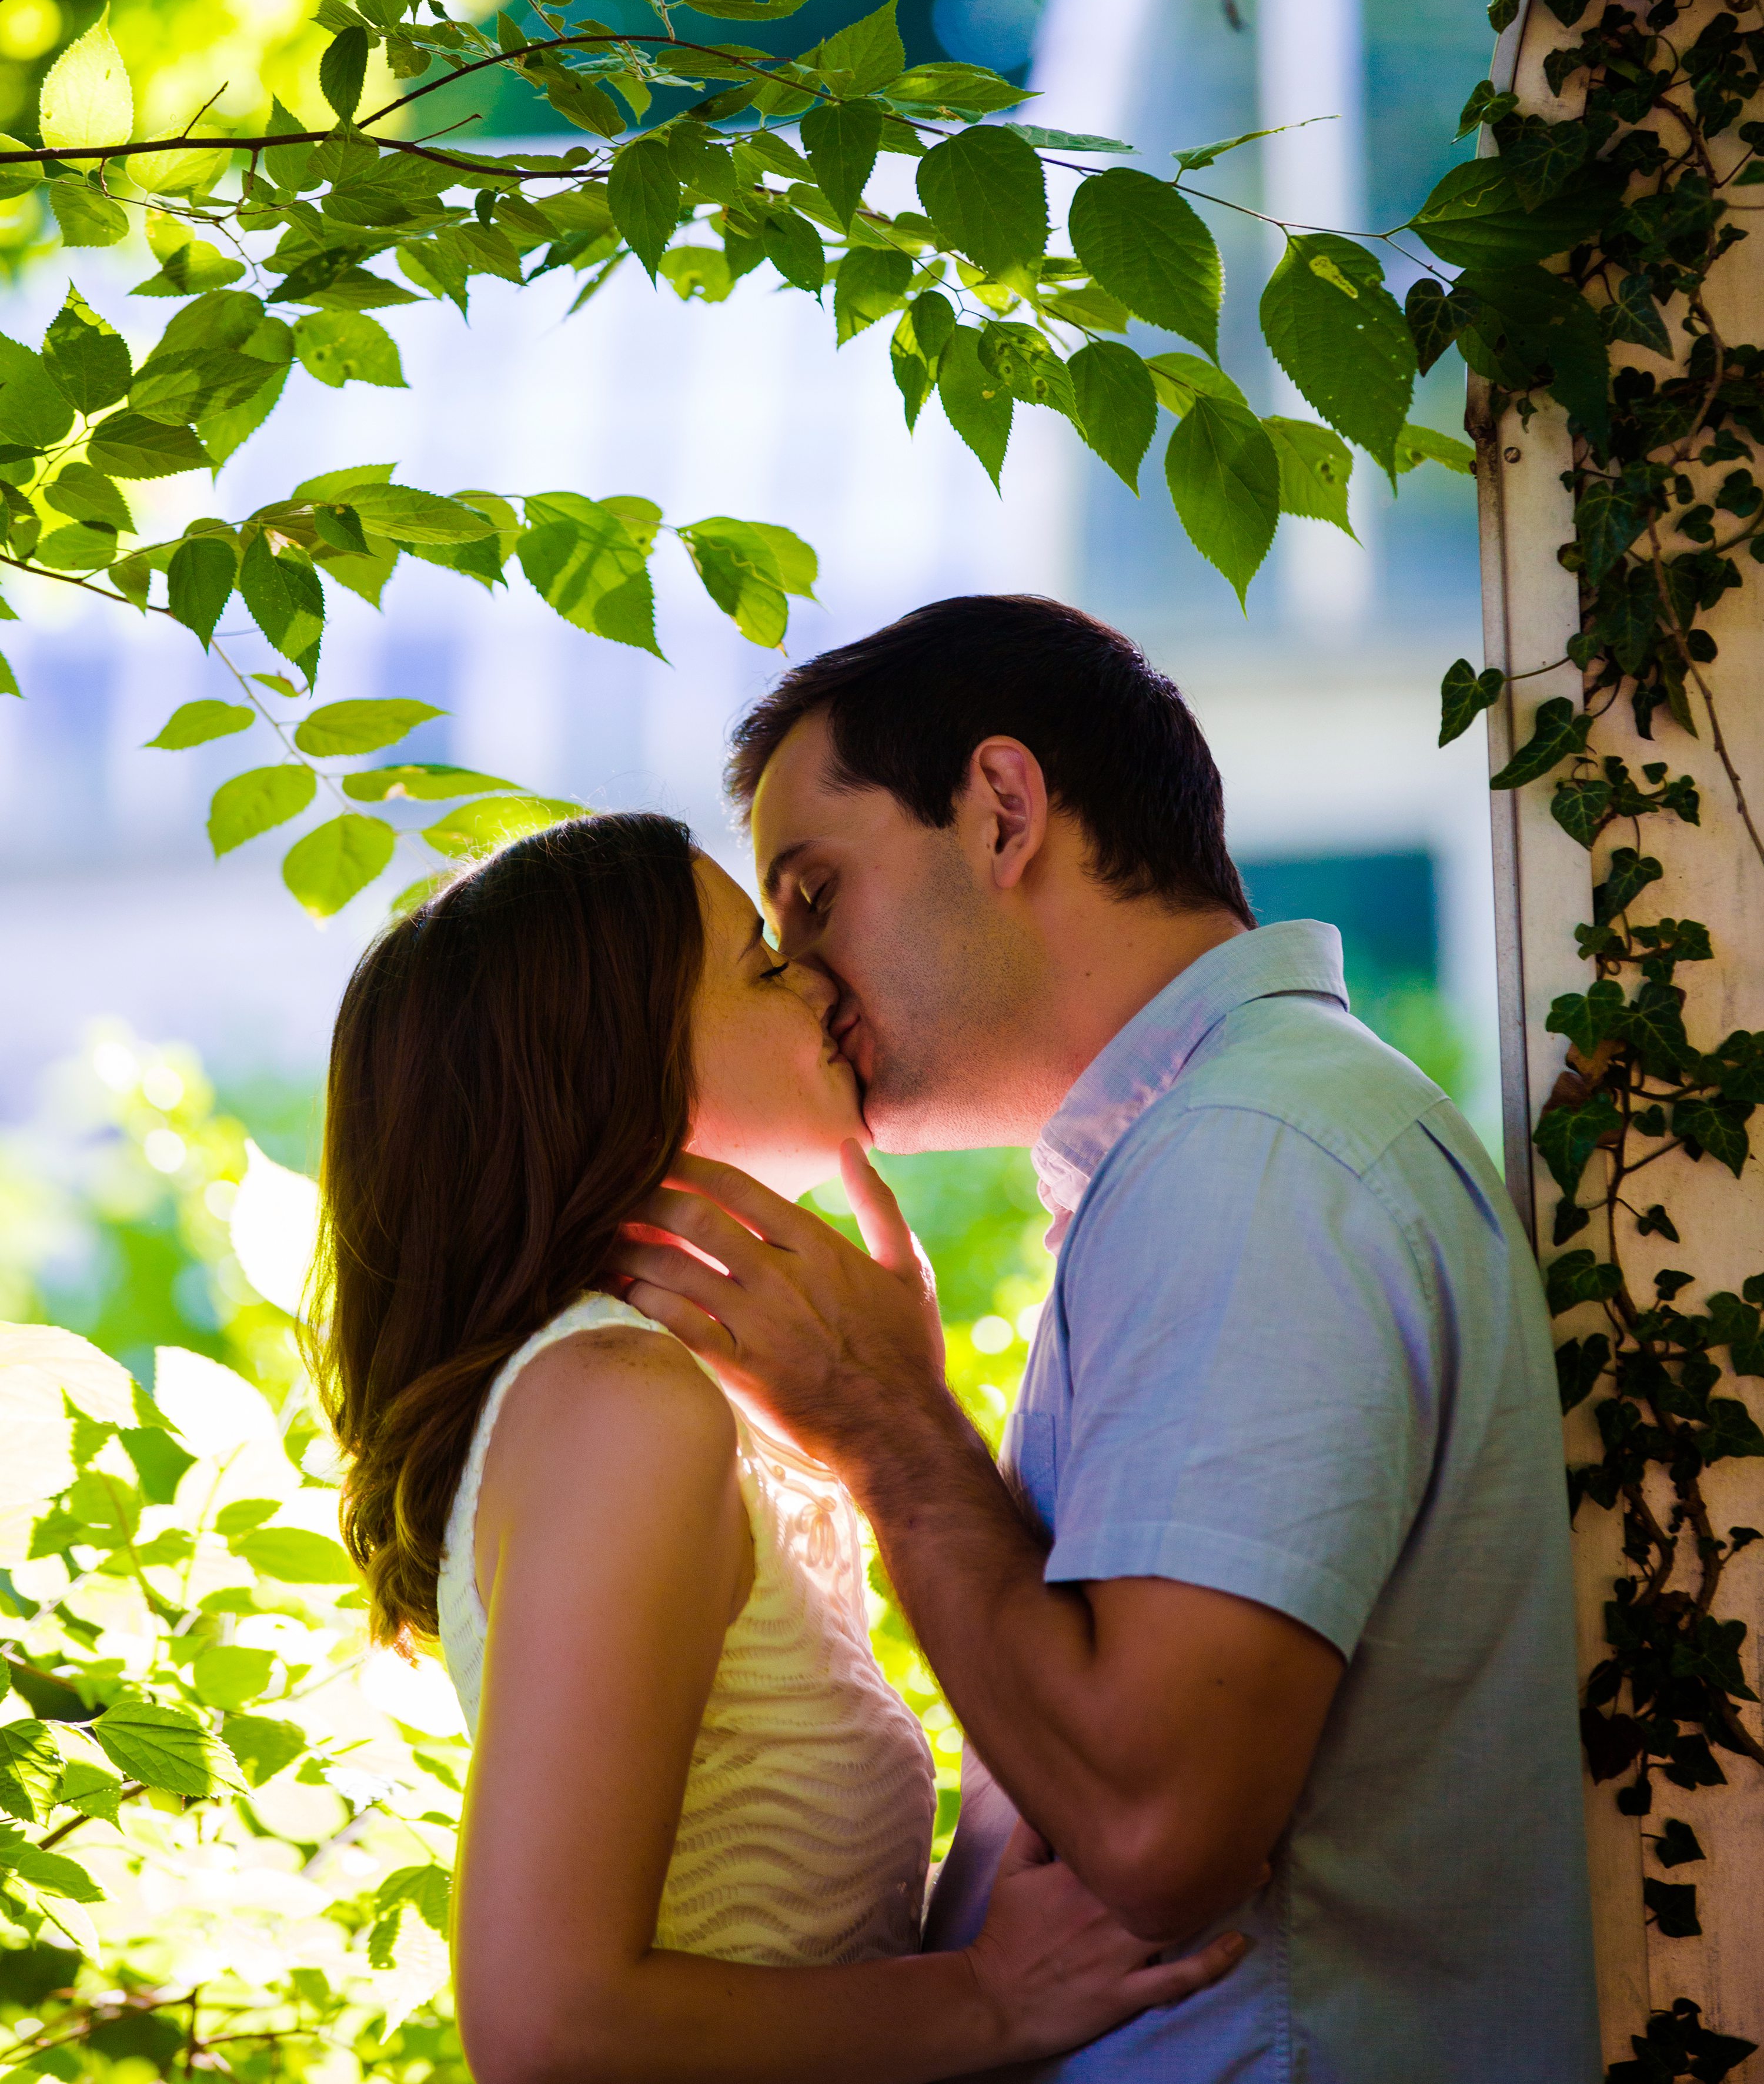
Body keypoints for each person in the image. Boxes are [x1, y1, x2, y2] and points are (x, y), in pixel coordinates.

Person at [615, 594, 1602, 2084]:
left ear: (1005, 809)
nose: (803, 974)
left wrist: (892, 1430)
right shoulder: (1239, 1141)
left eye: (816, 893)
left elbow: (1156, 1833)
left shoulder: (1255, 1155)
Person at [306, 808, 1248, 2084]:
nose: (817, 975)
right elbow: (545, 2026)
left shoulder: (679, 1403)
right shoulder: (619, 1407)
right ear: (613, 1073)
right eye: (758, 963)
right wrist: (982, 2001)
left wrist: (889, 1403)